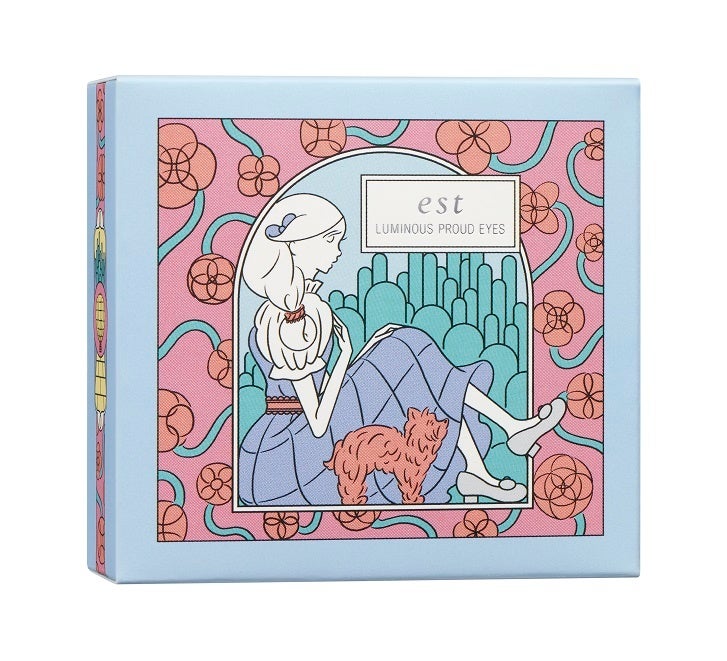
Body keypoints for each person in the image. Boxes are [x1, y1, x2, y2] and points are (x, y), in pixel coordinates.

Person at [239, 193, 565, 506]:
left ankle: (485, 462)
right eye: (330, 240)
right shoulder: (290, 319)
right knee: (408, 350)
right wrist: (347, 354)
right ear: (298, 245)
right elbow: (318, 420)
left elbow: (321, 387)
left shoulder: (304, 304)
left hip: (309, 427)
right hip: (291, 452)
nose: (338, 251)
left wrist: (368, 348)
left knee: (407, 349)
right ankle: (505, 436)